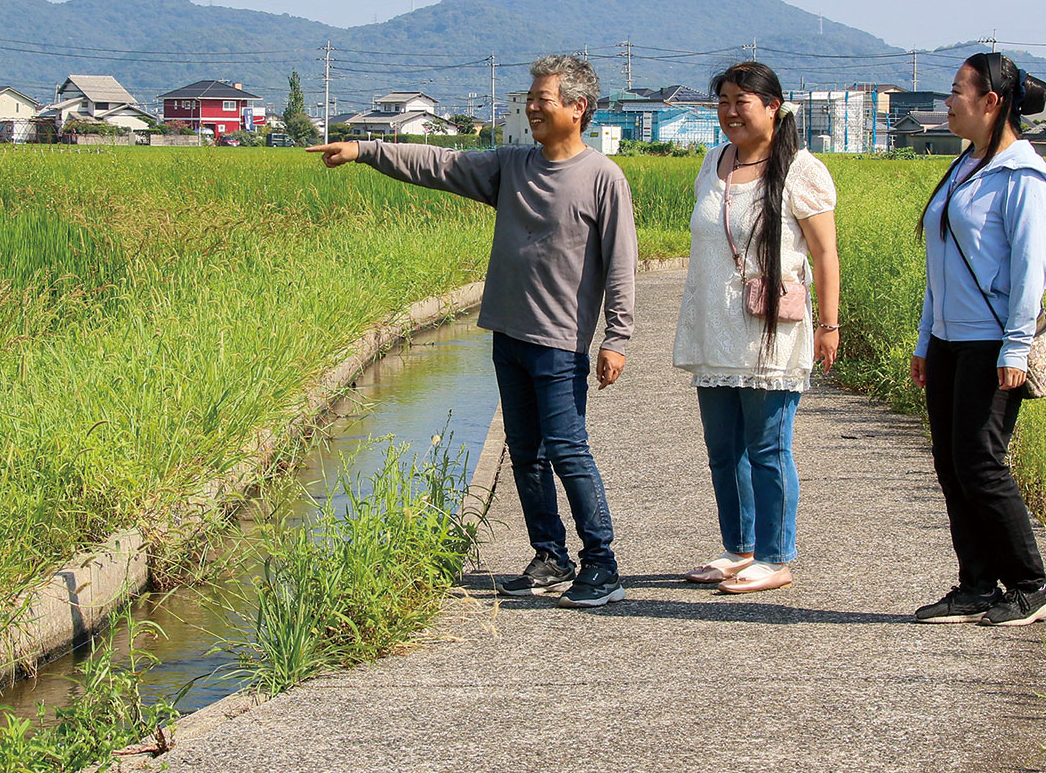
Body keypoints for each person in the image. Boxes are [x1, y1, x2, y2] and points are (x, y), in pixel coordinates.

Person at [308, 54, 637, 609]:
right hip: (509, 334)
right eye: (530, 97)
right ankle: (549, 554)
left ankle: (601, 564)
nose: (532, 106)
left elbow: (621, 262)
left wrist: (617, 338)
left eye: (544, 99)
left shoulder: (603, 177)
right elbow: (439, 162)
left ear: (578, 109)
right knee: (525, 451)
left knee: (567, 449)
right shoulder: (512, 166)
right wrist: (366, 150)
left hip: (560, 343)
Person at [672, 61, 840, 594]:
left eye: (741, 101)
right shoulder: (711, 161)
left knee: (769, 448)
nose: (729, 112)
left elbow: (825, 252)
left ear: (773, 106)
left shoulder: (799, 169)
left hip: (771, 331)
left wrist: (829, 324)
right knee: (723, 450)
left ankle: (775, 555)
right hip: (713, 328)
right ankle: (738, 548)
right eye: (722, 101)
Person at [910, 52, 1046, 627]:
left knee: (981, 462)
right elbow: (940, 262)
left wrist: (1016, 348)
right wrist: (926, 338)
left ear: (990, 101)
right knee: (950, 462)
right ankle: (976, 583)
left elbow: (1031, 270)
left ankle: (1029, 584)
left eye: (955, 91)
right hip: (949, 340)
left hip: (994, 342)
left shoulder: (1024, 176)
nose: (946, 103)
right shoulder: (965, 166)